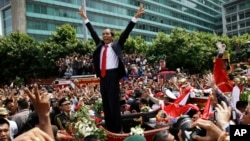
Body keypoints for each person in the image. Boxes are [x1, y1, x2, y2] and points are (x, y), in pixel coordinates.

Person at [78, 3, 145, 133]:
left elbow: (126, 32)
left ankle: (117, 129)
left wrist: (135, 17)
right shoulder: (100, 45)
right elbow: (92, 32)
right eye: (103, 34)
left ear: (112, 36)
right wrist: (85, 18)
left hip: (113, 75)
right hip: (103, 76)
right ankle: (109, 128)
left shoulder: (117, 45)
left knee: (114, 103)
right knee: (106, 103)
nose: (104, 36)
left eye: (107, 34)